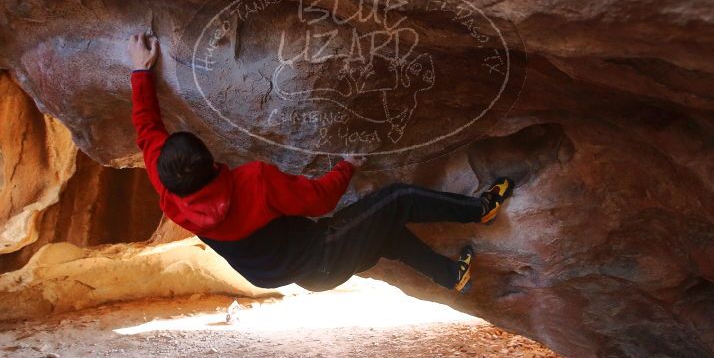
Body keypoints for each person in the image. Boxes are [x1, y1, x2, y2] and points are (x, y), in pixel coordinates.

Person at [128, 32, 513, 294]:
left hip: (294, 273)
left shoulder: (169, 191)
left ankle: (450, 275)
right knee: (396, 199)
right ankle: (481, 209)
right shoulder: (253, 183)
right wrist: (348, 165)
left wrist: (141, 72)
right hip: (323, 254)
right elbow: (319, 200)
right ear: (210, 161)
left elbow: (147, 128)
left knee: (385, 232)